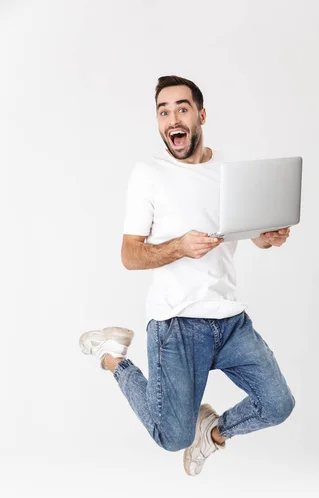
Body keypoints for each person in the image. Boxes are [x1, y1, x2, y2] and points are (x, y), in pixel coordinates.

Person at [79, 75, 295, 476]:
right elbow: (129, 255)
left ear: (201, 115)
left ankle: (212, 433)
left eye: (182, 108)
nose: (172, 118)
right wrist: (179, 246)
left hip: (230, 321)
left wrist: (267, 238)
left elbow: (247, 238)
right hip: (176, 325)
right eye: (163, 111)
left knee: (278, 403)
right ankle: (113, 358)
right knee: (170, 437)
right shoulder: (149, 174)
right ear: (159, 122)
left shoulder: (228, 172)